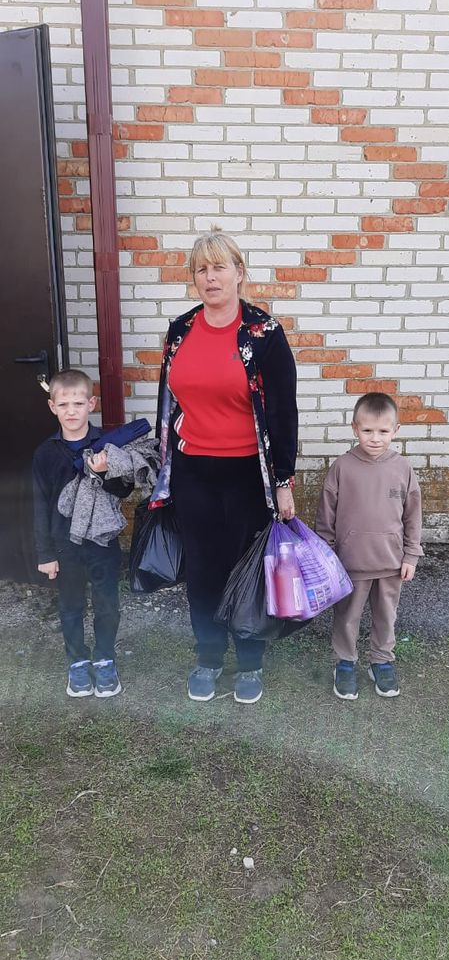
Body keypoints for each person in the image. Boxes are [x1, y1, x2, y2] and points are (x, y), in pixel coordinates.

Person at [152, 228, 298, 704]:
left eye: (219, 267)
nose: (210, 277)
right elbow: (169, 404)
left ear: (239, 273)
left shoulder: (264, 333)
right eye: (201, 269)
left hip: (247, 475)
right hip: (193, 470)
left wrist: (283, 480)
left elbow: (283, 412)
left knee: (247, 569)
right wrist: (164, 468)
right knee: (203, 570)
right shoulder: (180, 331)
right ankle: (209, 657)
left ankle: (250, 662)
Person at [315, 392, 423, 701]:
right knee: (347, 616)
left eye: (383, 431)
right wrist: (327, 555)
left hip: (391, 563)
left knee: (386, 616)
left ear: (396, 430)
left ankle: (382, 661)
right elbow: (326, 516)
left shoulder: (402, 468)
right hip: (351, 564)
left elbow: (413, 516)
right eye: (367, 430)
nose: (375, 438)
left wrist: (411, 555)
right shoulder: (342, 467)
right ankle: (345, 663)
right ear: (355, 428)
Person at [32, 369, 131, 699]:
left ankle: (104, 659)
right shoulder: (45, 454)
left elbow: (124, 490)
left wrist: (105, 472)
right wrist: (45, 554)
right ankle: (77, 662)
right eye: (63, 405)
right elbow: (40, 505)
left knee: (107, 604)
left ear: (92, 403)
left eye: (78, 403)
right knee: (71, 606)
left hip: (102, 542)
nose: (71, 411)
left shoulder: (108, 445)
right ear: (52, 407)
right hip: (65, 545)